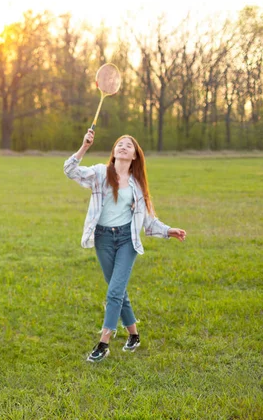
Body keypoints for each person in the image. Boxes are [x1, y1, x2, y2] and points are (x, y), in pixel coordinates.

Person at [64, 128, 186, 363]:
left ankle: (103, 342)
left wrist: (168, 231)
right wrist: (84, 147)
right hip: (103, 239)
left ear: (134, 156)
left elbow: (149, 221)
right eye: (120, 143)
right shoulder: (100, 173)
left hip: (126, 240)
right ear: (114, 151)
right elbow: (69, 170)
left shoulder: (137, 186)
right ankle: (134, 335)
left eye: (128, 145)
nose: (123, 146)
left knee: (114, 292)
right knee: (117, 290)